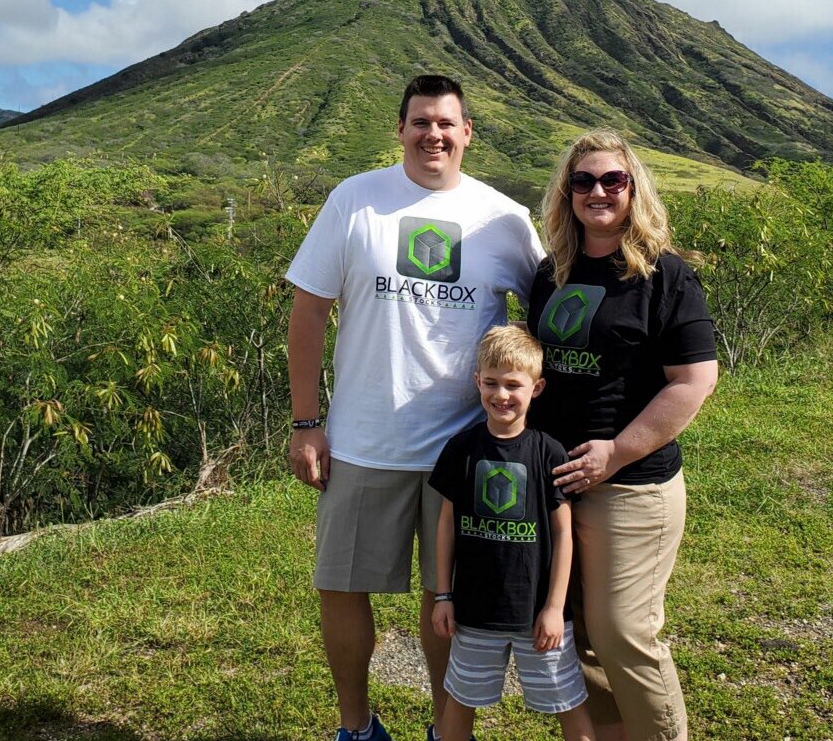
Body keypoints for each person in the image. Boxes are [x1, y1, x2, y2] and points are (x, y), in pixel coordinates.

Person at [286, 75, 544, 741]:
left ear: (468, 134)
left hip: (463, 448)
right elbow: (309, 311)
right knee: (341, 585)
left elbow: (549, 316)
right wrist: (307, 423)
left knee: (446, 595)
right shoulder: (355, 200)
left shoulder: (503, 219)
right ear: (400, 129)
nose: (434, 134)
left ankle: (444, 729)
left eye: (446, 123)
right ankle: (356, 727)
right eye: (421, 121)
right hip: (362, 439)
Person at [527, 129, 718, 741]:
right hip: (558, 484)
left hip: (631, 486)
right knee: (579, 634)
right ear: (567, 193)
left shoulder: (665, 276)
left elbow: (694, 382)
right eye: (583, 181)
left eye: (613, 180)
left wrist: (616, 452)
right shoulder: (550, 273)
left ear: (635, 189)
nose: (598, 192)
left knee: (623, 632)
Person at [428, 325, 595, 741]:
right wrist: (444, 595)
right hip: (474, 612)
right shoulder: (461, 449)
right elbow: (446, 524)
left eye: (513, 385)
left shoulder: (549, 452)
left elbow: (564, 535)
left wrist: (554, 607)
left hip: (537, 616)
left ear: (536, 388)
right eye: (491, 383)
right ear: (477, 382)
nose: (501, 394)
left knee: (569, 705)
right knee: (458, 704)